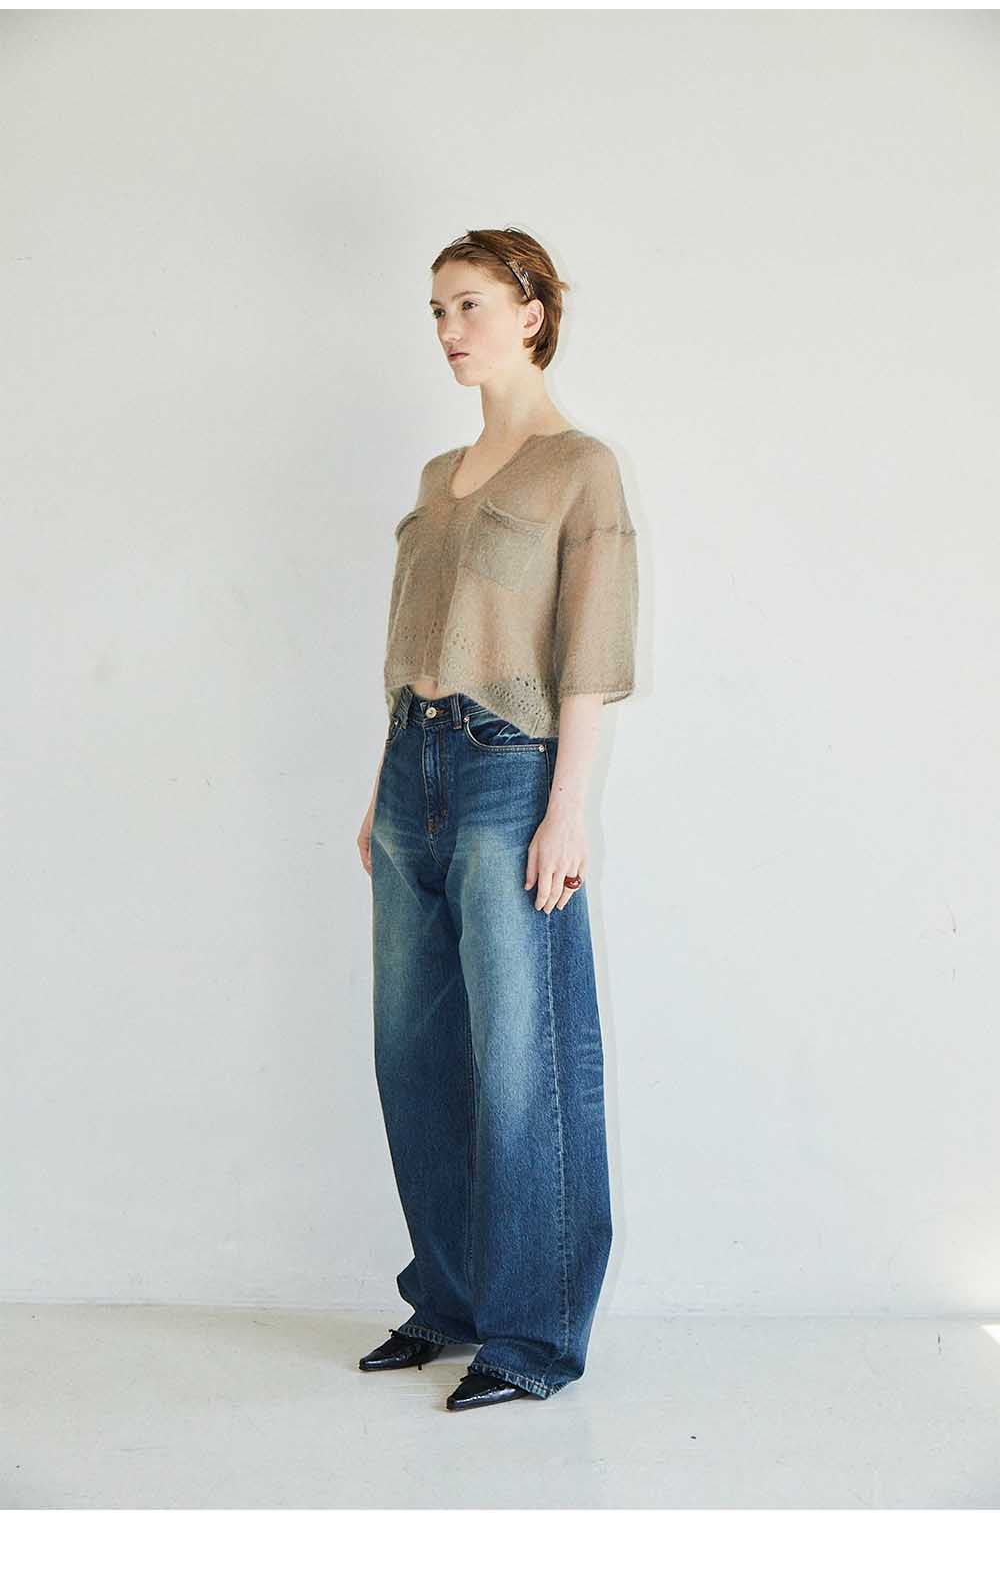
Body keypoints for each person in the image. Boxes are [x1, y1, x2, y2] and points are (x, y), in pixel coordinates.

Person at [358, 216, 637, 1407]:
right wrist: (377, 788)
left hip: (507, 772)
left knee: (524, 1061)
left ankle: (530, 1335)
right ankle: (450, 1298)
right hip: (409, 772)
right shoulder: (440, 476)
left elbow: (590, 653)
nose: (447, 327)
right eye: (435, 308)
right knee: (414, 1053)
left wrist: (566, 810)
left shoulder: (579, 466)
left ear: (531, 312)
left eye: (468, 302)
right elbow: (415, 642)